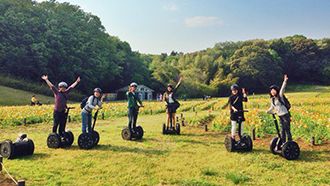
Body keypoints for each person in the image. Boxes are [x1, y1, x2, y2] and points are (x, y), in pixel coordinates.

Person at [267, 74, 292, 143]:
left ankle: (290, 143)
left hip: (285, 115)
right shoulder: (272, 99)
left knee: (287, 129)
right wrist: (267, 111)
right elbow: (272, 108)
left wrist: (285, 81)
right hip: (280, 116)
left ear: (276, 91)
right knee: (282, 130)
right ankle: (283, 143)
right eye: (271, 90)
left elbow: (282, 89)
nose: (272, 91)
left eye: (274, 90)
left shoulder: (280, 96)